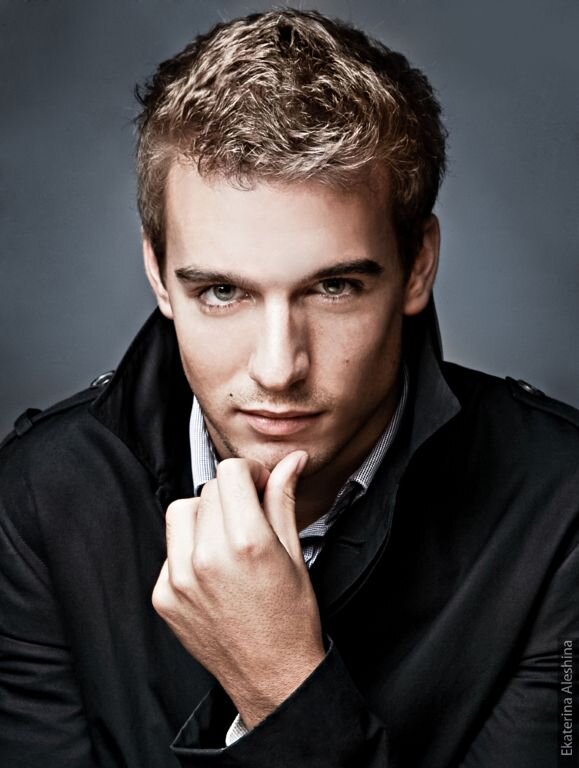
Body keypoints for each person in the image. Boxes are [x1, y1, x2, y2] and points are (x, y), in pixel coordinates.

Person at [1, 8, 577, 768]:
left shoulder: (562, 508)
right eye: (222, 292)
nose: (278, 369)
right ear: (158, 276)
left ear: (418, 267)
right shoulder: (40, 498)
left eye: (333, 287)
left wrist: (279, 683)